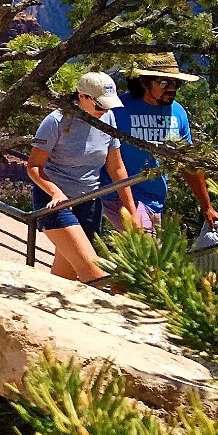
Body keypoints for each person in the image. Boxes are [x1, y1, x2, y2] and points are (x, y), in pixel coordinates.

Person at [29, 71, 137, 283]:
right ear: (82, 96)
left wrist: (131, 212)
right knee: (94, 272)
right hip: (56, 203)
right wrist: (55, 192)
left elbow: (116, 167)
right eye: (99, 105)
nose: (104, 110)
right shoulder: (56, 122)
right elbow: (34, 166)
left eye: (108, 105)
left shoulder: (108, 118)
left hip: (88, 202)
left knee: (66, 276)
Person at [107, 53, 218, 233]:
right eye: (164, 83)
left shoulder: (177, 113)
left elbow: (187, 162)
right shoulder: (117, 110)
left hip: (154, 201)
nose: (171, 88)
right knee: (152, 256)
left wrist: (207, 207)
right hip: (118, 196)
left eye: (176, 83)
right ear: (144, 82)